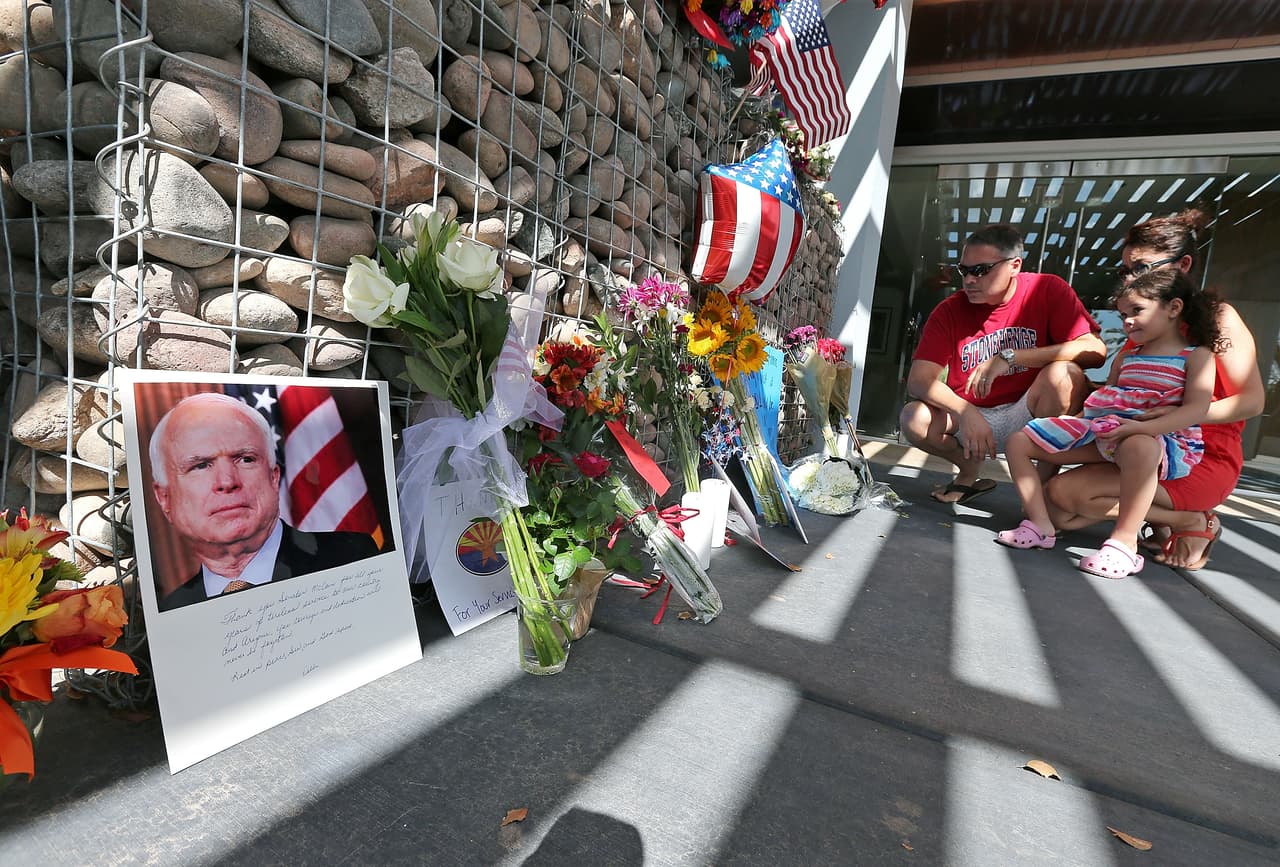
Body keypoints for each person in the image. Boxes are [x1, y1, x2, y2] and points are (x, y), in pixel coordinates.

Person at [1045, 209, 1266, 570]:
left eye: (1141, 268)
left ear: (1183, 265)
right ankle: (1170, 518)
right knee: (1056, 510)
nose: (1131, 278)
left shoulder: (1219, 318)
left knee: (1067, 496)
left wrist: (1181, 414)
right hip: (1137, 445)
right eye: (1125, 271)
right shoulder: (1142, 326)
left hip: (1198, 454)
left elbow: (1252, 401)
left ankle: (1192, 520)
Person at [996, 270, 1220, 578]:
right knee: (1019, 441)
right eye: (1123, 315)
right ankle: (1040, 525)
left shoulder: (1196, 357)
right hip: (1108, 432)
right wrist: (1073, 423)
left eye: (1137, 311)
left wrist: (1140, 428)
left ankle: (1124, 543)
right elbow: (1105, 400)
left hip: (1159, 441)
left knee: (1139, 446)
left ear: (1173, 308)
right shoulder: (1126, 358)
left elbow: (1196, 409)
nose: (1128, 321)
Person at [901, 224, 1107, 504]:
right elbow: (918, 380)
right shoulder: (949, 310)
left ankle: (1039, 491)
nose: (969, 280)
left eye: (981, 270)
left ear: (1014, 265)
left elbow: (1095, 350)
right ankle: (968, 469)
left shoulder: (1046, 289)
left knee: (1064, 374)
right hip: (970, 413)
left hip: (1027, 412)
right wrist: (965, 411)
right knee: (913, 418)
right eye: (964, 270)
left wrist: (1013, 357)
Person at [150, 392, 379, 612]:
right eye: (200, 466)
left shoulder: (351, 557)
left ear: (273, 477)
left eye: (246, 459)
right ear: (164, 498)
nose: (227, 481)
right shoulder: (172, 610)